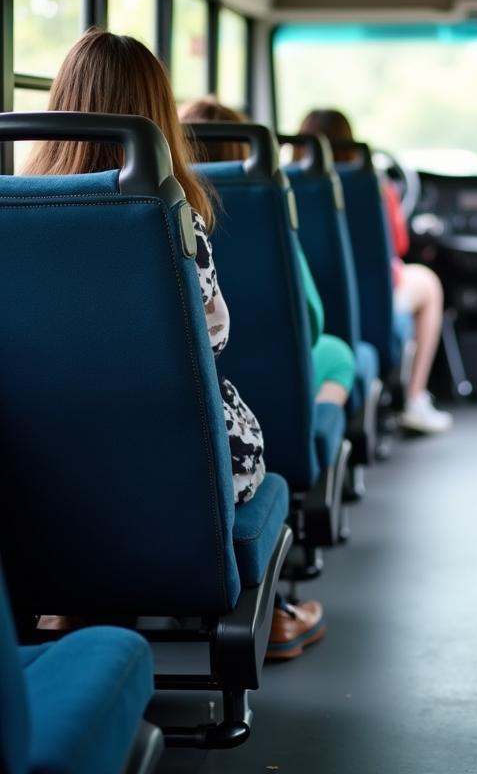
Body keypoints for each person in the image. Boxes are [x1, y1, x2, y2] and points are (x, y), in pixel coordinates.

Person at [23, 35, 321, 659]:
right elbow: (210, 341)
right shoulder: (168, 222)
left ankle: (73, 614)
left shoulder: (12, 215)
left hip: (35, 466)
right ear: (158, 119)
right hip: (177, 465)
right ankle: (259, 612)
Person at [179, 98, 356, 412]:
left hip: (188, 384)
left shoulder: (163, 214)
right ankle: (317, 437)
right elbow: (311, 319)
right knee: (339, 354)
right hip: (273, 374)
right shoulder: (267, 211)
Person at [298, 108, 452, 435]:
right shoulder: (374, 186)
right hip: (373, 300)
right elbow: (396, 246)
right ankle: (414, 398)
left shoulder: (283, 184)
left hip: (308, 294)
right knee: (428, 282)